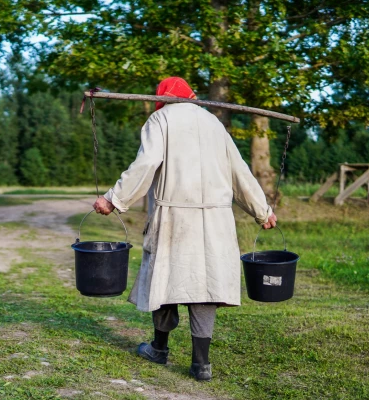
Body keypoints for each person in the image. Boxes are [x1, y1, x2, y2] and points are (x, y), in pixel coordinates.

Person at [93, 77, 277, 382]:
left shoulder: (160, 119)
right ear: (191, 96)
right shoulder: (214, 123)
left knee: (164, 280)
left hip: (174, 216)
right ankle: (201, 364)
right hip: (215, 219)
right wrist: (263, 211)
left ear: (163, 98)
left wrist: (115, 199)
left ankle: (159, 349)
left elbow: (146, 164)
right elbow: (239, 171)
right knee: (204, 286)